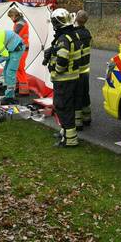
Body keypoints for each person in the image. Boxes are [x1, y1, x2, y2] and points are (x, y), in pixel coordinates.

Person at [47, 8, 83, 147]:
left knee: (63, 107)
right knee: (69, 106)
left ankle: (70, 140)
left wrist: (55, 69)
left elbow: (62, 59)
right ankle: (65, 132)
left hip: (64, 79)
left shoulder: (63, 39)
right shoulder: (73, 35)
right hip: (74, 78)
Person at [0, 29, 25, 105]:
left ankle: (10, 97)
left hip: (17, 48)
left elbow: (5, 56)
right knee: (6, 71)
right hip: (11, 47)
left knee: (10, 72)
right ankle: (8, 94)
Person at [73, 10, 93, 130]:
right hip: (86, 69)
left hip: (77, 70)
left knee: (77, 95)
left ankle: (77, 122)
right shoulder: (87, 33)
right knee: (85, 94)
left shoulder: (75, 34)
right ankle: (87, 118)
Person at [8, 8, 31, 98]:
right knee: (18, 68)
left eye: (11, 17)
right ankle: (20, 88)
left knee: (20, 68)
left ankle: (24, 91)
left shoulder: (20, 24)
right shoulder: (20, 22)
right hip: (22, 47)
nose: (11, 19)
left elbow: (14, 35)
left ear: (14, 15)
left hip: (22, 48)